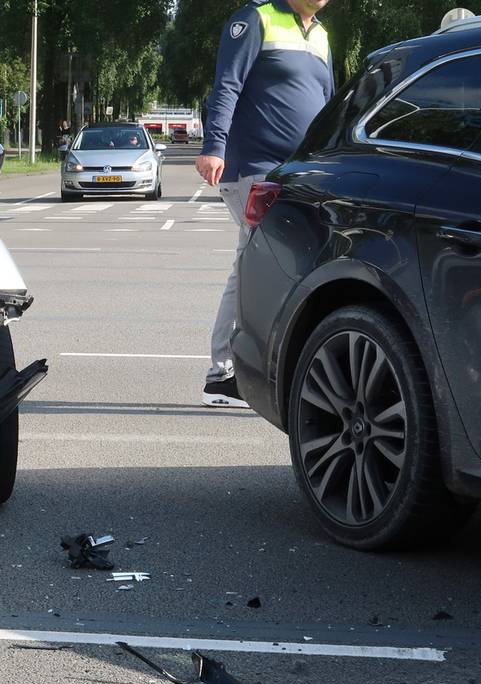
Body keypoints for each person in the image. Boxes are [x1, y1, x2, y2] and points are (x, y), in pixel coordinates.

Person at [197, 0, 333, 408]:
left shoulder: (322, 35)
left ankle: (228, 371)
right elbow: (227, 85)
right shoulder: (256, 18)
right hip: (255, 169)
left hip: (300, 172)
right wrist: (213, 147)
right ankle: (223, 373)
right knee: (254, 266)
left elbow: (327, 101)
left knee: (252, 267)